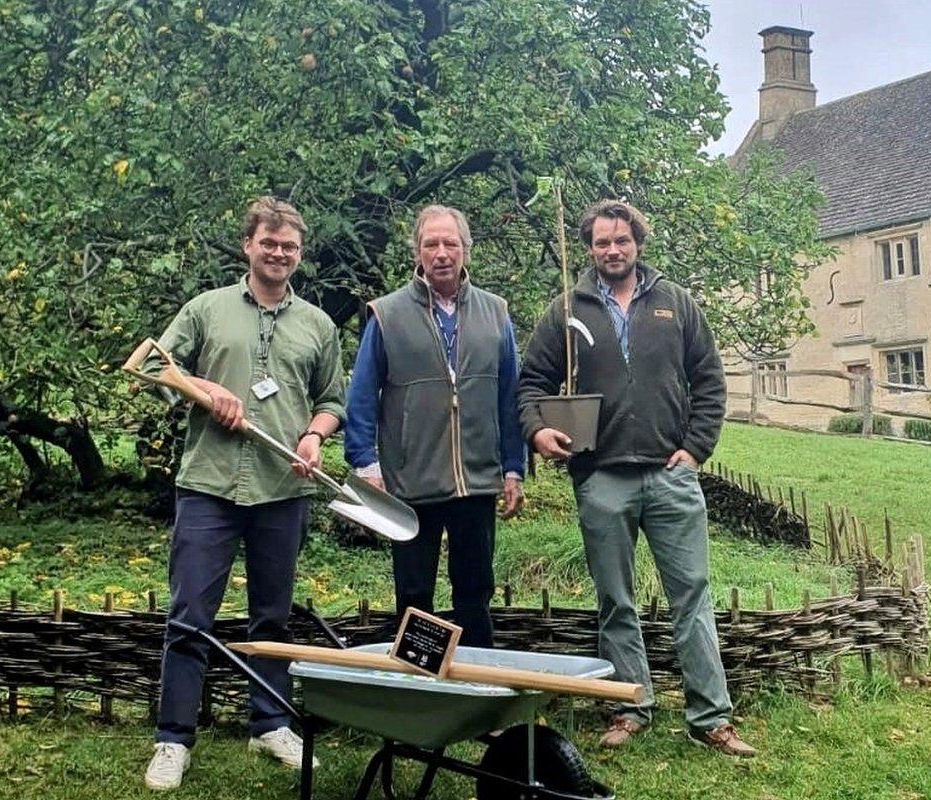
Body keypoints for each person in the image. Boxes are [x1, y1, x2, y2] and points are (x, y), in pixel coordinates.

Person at [517, 199, 755, 757]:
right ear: (590, 248)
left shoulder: (675, 303)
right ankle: (630, 705)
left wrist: (696, 449)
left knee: (691, 595)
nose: (612, 250)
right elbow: (530, 384)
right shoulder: (565, 310)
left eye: (621, 240)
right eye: (601, 242)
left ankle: (711, 718)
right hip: (601, 477)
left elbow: (710, 381)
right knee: (615, 599)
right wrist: (537, 433)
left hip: (670, 475)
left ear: (637, 243)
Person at [143, 196, 346, 790]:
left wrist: (313, 436)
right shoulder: (205, 310)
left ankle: (270, 722)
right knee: (189, 616)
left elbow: (331, 401)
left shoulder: (316, 324)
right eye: (269, 243)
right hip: (208, 485)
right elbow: (154, 366)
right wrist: (202, 386)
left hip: (282, 487)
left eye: (290, 247)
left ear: (298, 254)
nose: (279, 253)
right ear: (248, 246)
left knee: (272, 617)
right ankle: (172, 739)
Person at [344, 204, 525, 647]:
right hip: (410, 481)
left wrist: (513, 468)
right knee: (413, 593)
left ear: (466, 250)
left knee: (475, 590)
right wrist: (366, 464)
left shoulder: (495, 312)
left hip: (477, 479)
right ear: (418, 253)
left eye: (451, 243)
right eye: (431, 244)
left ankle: (479, 690)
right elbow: (362, 395)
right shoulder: (386, 314)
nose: (441, 253)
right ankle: (419, 694)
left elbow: (510, 396)